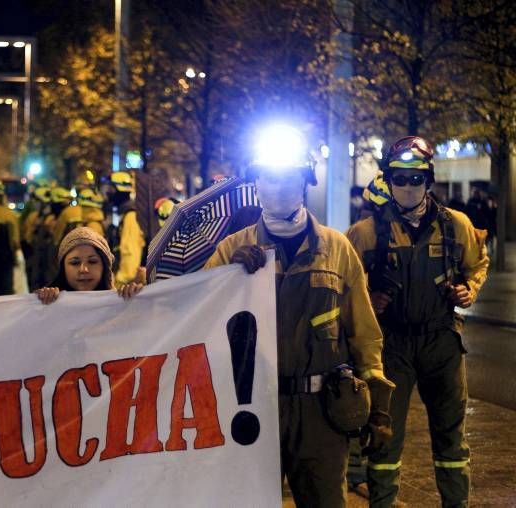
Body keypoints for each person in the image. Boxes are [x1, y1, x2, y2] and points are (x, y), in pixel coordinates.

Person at [204, 125, 392, 507]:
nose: (278, 187)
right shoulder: (231, 250)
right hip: (253, 407)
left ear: (304, 182)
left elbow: (364, 333)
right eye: (269, 178)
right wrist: (225, 279)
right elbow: (198, 316)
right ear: (257, 183)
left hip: (321, 415)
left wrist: (378, 403)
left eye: (289, 178)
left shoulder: (336, 248)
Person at [346, 136, 488, 507]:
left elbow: (478, 263)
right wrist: (367, 302)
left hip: (441, 342)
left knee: (451, 438)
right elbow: (343, 284)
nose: (408, 187)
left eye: (416, 179)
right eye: (400, 178)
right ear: (389, 181)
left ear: (429, 180)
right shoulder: (365, 234)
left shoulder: (457, 226)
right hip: (390, 345)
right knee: (383, 436)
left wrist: (469, 290)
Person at [35, 227, 142, 304]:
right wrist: (42, 301)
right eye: (75, 263)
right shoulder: (50, 302)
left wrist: (137, 298)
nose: (83, 269)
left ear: (104, 266)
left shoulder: (121, 301)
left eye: (92, 262)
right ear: (63, 268)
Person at [106, 171, 146, 288]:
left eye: (111, 189)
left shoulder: (131, 216)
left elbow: (130, 252)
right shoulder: (127, 214)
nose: (108, 193)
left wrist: (119, 283)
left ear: (120, 190)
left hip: (127, 286)